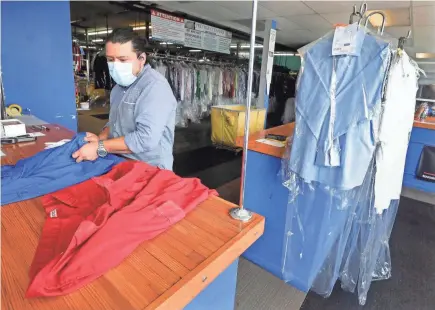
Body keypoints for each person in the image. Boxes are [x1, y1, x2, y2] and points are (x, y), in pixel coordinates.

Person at [72, 28, 177, 170]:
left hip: (150, 170)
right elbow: (114, 122)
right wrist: (101, 138)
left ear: (141, 59)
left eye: (123, 60)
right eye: (110, 60)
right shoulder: (118, 88)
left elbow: (145, 139)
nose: (115, 66)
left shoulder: (154, 87)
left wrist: (100, 147)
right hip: (121, 163)